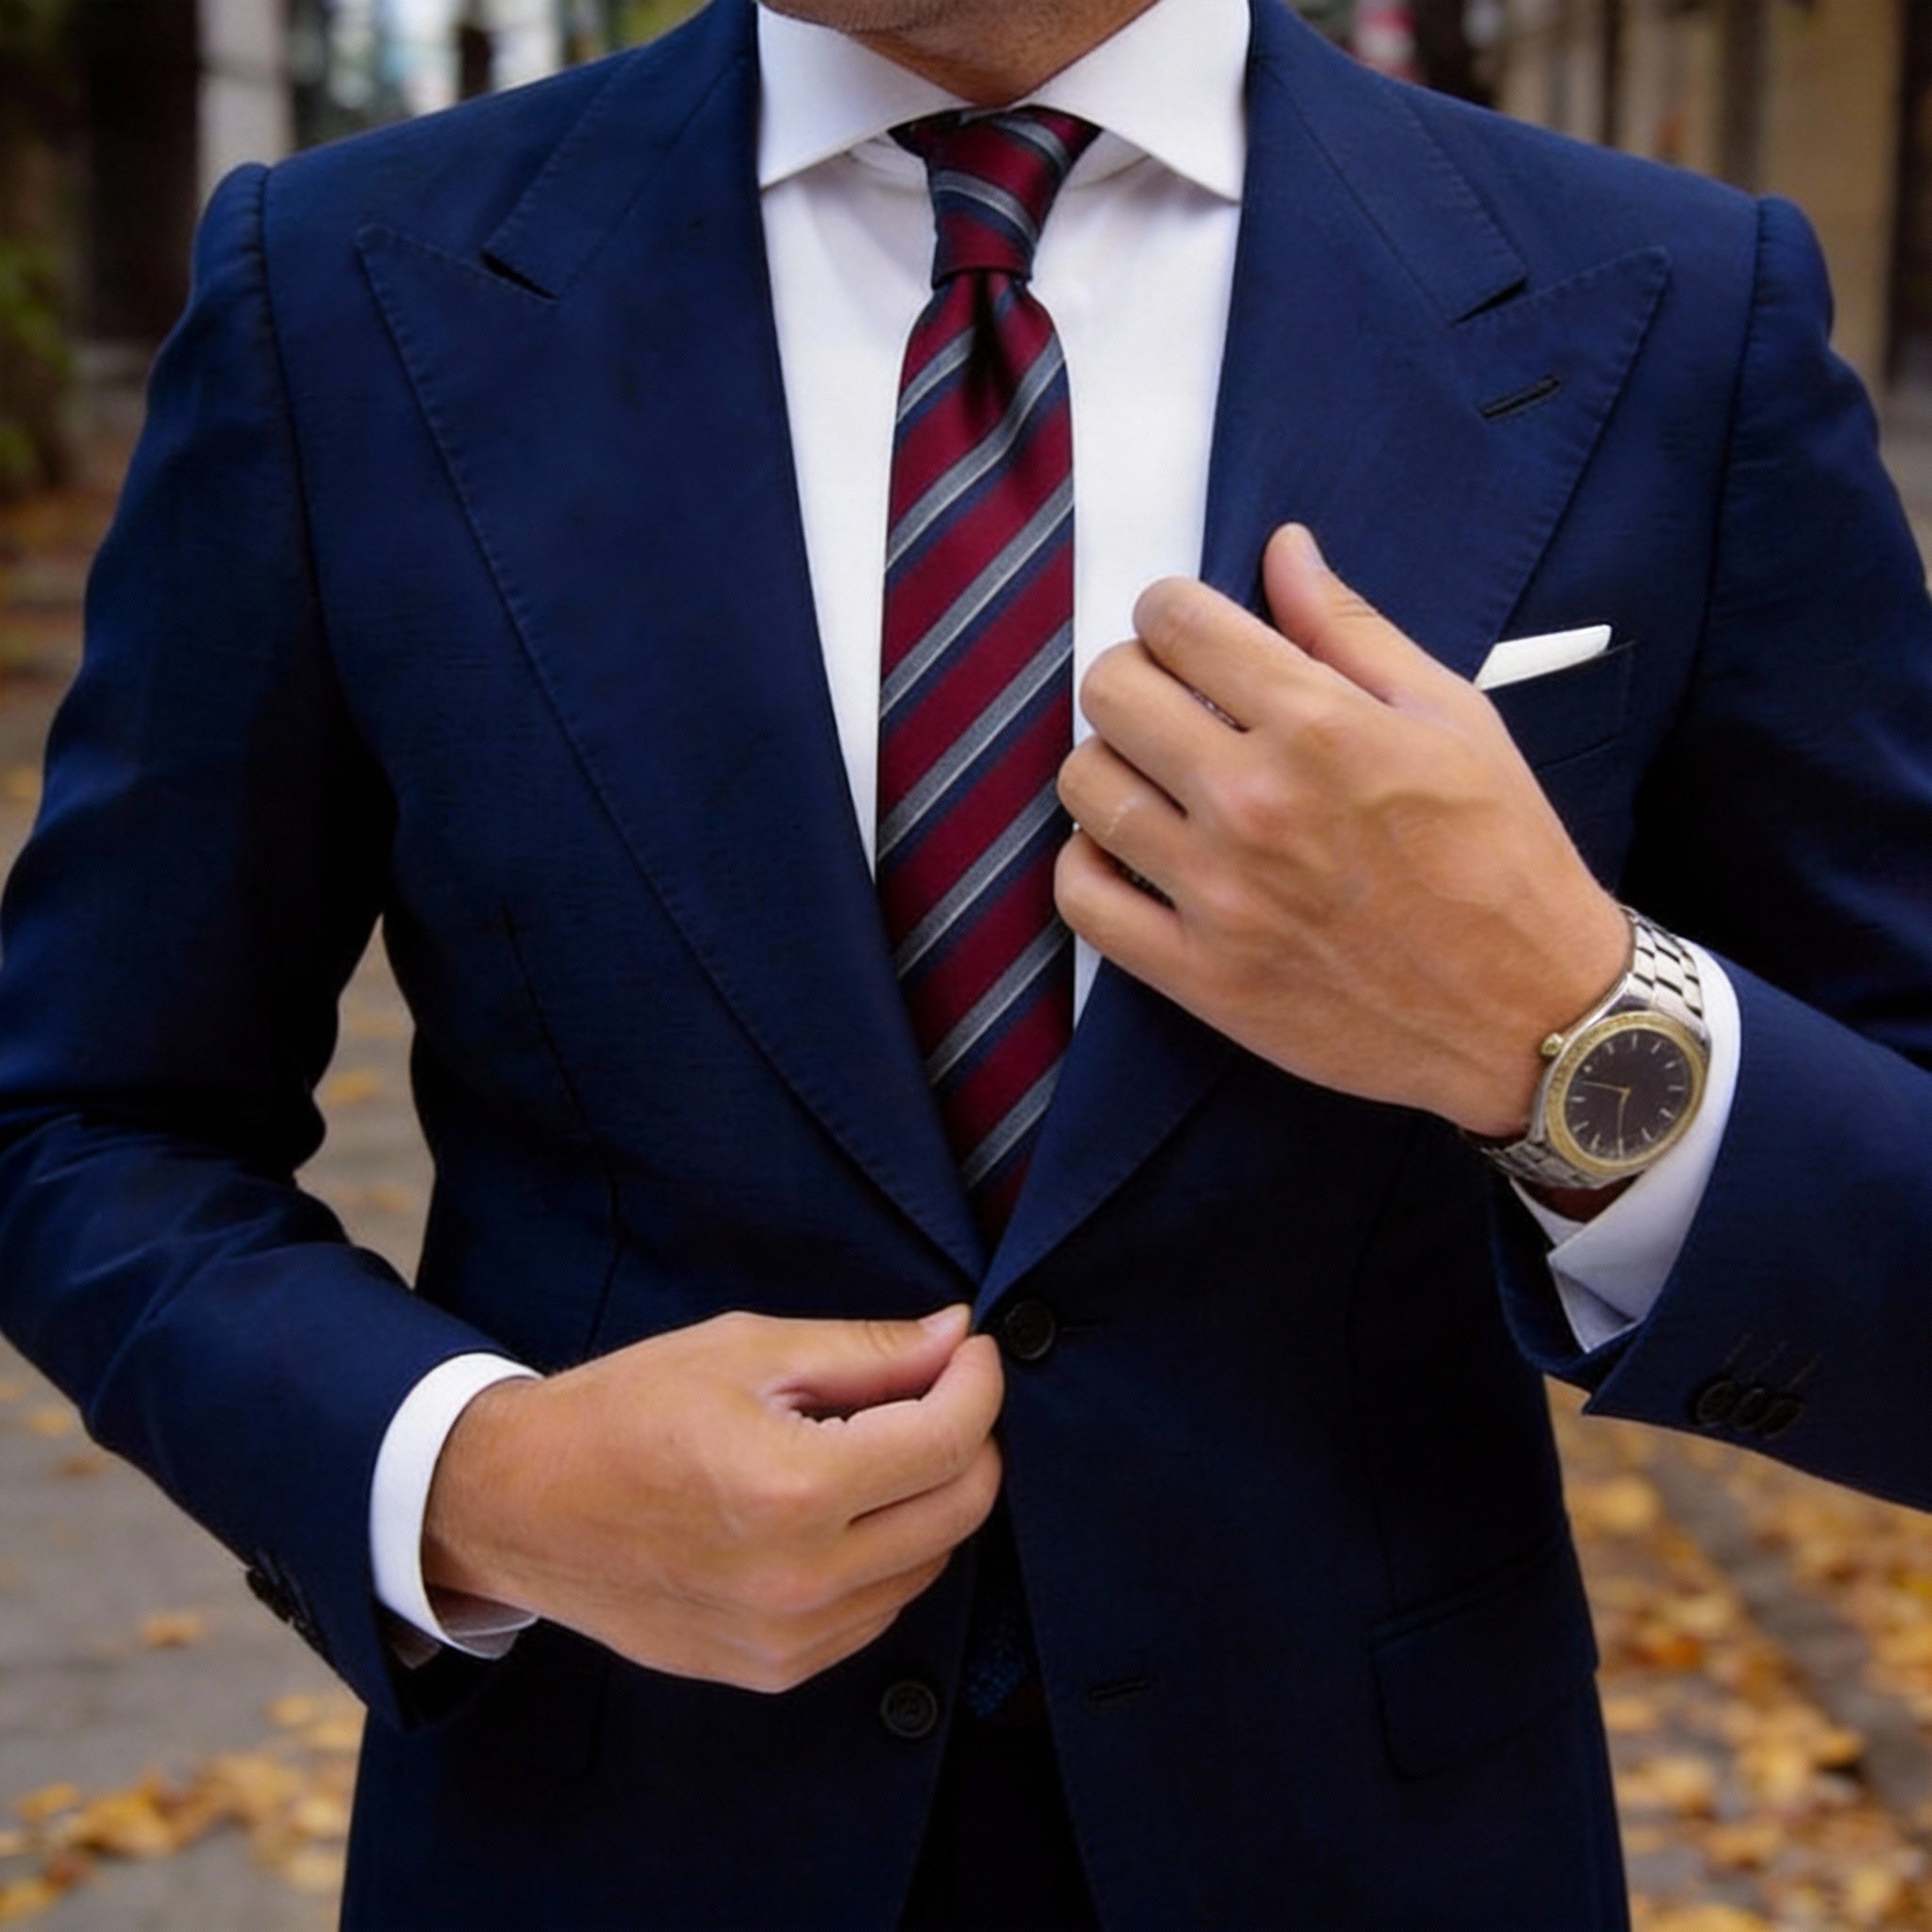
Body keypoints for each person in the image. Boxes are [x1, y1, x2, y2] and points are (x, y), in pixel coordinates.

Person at [0, 0, 1928, 1924]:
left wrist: (1569, 1032)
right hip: (615, 1836)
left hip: (1375, 1845)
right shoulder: (340, 287)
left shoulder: (1669, 302)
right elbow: (79, 1118)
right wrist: (470, 1481)